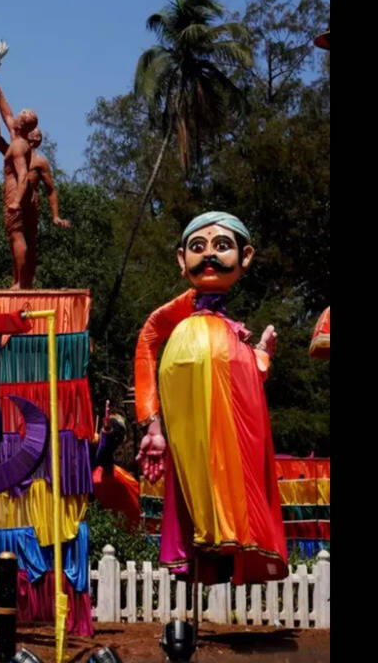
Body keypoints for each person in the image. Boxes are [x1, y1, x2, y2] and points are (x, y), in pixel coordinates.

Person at [132, 212, 286, 587]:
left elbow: (244, 376)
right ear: (182, 260)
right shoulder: (180, 315)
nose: (210, 256)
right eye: (198, 247)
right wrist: (152, 423)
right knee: (193, 476)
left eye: (222, 246)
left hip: (236, 429)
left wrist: (260, 354)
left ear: (244, 257)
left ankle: (230, 539)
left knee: (236, 476)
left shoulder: (231, 332)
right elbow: (147, 340)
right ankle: (202, 539)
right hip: (189, 417)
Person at [0, 79, 68, 289]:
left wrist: (16, 201)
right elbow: (2, 124)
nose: (16, 117)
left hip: (21, 197)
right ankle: (20, 281)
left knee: (19, 238)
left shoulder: (22, 150)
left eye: (21, 116)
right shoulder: (17, 143)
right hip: (25, 198)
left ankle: (22, 284)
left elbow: (35, 181)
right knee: (24, 242)